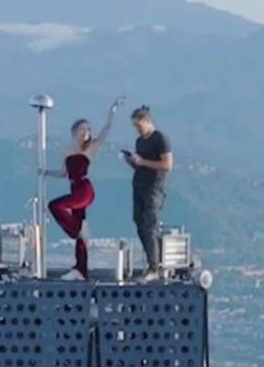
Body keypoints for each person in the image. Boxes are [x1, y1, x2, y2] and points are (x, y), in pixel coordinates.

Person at [43, 97, 124, 277]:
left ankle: (78, 230)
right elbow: (63, 173)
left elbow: (106, 129)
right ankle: (81, 269)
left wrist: (112, 110)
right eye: (82, 129)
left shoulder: (90, 148)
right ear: (74, 132)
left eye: (88, 129)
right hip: (74, 187)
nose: (86, 132)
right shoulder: (68, 151)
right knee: (80, 238)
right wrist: (46, 172)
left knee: (55, 205)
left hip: (84, 189)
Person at [124, 105, 174, 277]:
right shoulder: (140, 141)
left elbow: (167, 165)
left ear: (147, 121)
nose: (137, 129)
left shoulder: (161, 139)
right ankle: (153, 259)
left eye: (138, 125)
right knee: (140, 222)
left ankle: (155, 267)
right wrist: (133, 162)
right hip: (139, 184)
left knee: (151, 226)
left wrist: (143, 162)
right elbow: (141, 165)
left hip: (153, 187)